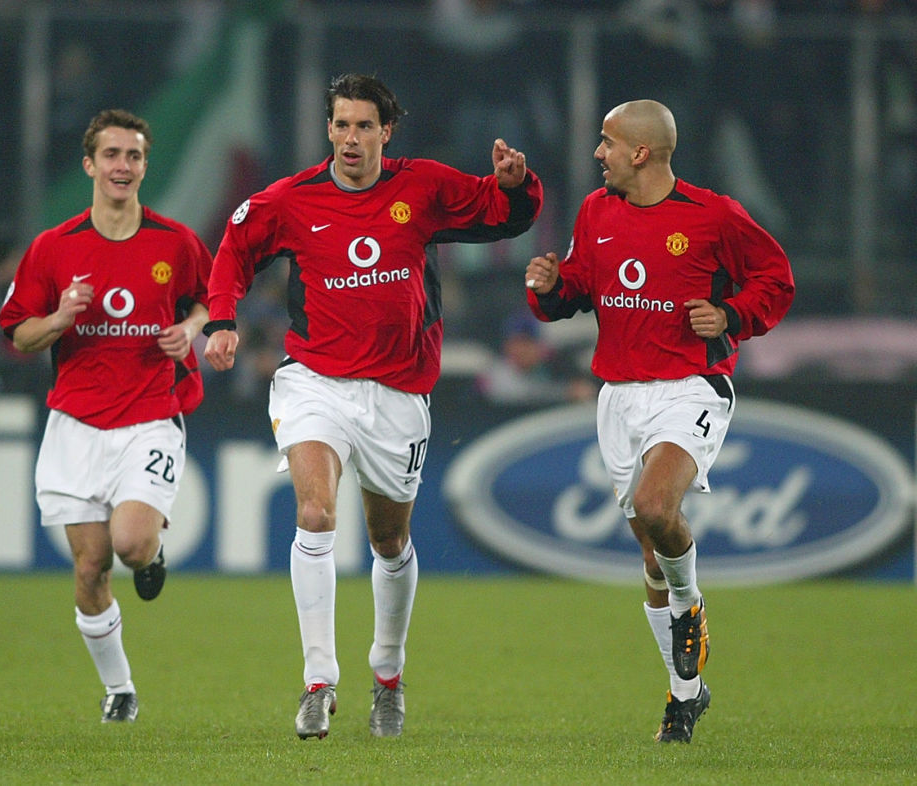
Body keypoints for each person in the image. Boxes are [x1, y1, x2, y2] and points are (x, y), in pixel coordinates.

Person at [204, 73, 542, 740]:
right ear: (327, 129)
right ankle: (317, 681)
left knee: (389, 540)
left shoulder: (424, 188)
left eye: (364, 126)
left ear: (387, 131)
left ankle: (387, 673)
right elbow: (234, 249)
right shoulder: (292, 199)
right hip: (315, 380)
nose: (351, 138)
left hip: (398, 391)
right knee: (314, 511)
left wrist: (514, 184)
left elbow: (506, 215)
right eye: (341, 125)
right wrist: (221, 321)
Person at [524, 99, 794, 744]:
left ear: (640, 152)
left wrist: (730, 315)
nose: (598, 153)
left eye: (607, 142)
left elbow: (775, 280)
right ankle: (686, 694)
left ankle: (691, 606)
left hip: (690, 388)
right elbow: (578, 291)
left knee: (654, 505)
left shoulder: (713, 215)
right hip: (619, 395)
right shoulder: (596, 212)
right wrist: (548, 287)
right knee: (650, 548)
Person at [0, 109, 212, 723]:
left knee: (130, 543)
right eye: (113, 155)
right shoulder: (54, 248)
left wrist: (190, 328)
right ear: (90, 165)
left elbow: (210, 298)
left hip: (149, 414)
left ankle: (152, 556)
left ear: (145, 165)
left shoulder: (174, 241)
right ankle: (120, 689)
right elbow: (19, 335)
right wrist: (61, 320)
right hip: (75, 423)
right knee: (91, 568)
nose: (124, 166)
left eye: (135, 156)